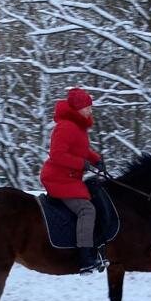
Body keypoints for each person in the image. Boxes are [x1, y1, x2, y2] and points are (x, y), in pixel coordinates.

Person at [40, 87, 105, 274]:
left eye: (90, 106)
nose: (90, 110)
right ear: (77, 108)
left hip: (68, 178)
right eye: (87, 107)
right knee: (86, 209)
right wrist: (81, 164)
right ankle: (85, 258)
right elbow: (57, 154)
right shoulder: (66, 127)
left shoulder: (77, 127)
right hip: (58, 179)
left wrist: (96, 159)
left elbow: (81, 150)